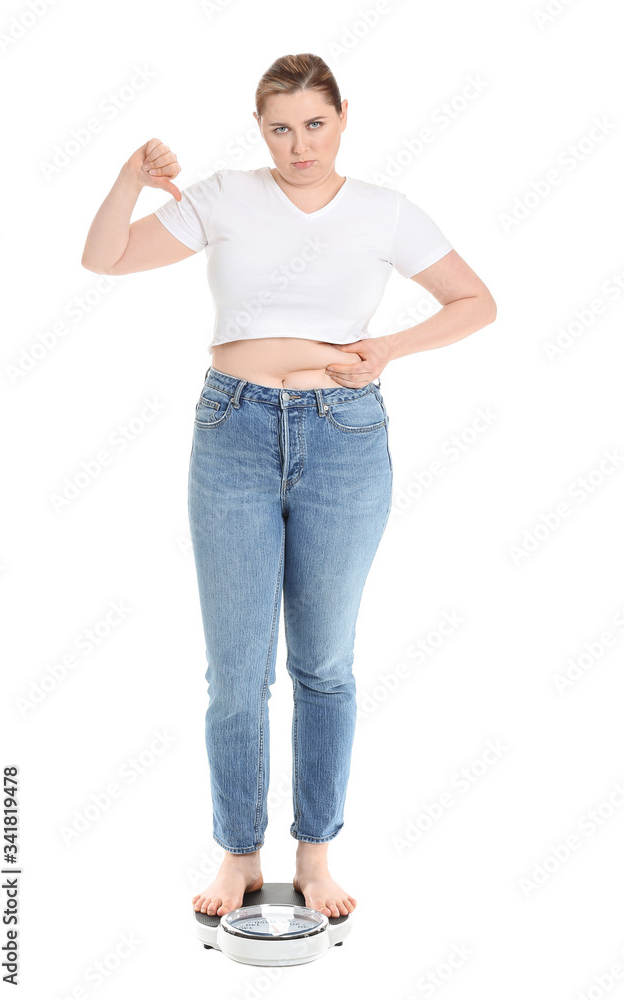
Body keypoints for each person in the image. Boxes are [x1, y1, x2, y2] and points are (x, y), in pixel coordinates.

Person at [81, 52, 497, 922]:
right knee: (235, 671)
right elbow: (106, 258)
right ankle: (238, 853)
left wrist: (389, 350)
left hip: (344, 439)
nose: (299, 145)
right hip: (231, 432)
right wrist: (128, 176)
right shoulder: (227, 197)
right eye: (280, 128)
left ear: (344, 115)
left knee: (325, 664)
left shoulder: (386, 212)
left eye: (314, 124)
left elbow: (474, 302)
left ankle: (315, 856)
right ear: (258, 127)